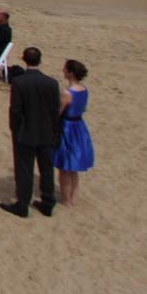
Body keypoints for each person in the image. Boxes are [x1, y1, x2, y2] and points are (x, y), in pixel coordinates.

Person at [2, 48, 61, 218]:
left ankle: (23, 204)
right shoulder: (52, 83)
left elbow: (15, 110)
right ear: (40, 60)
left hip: (25, 133)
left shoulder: (19, 82)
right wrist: (55, 132)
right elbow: (55, 111)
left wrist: (15, 129)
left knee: (24, 170)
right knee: (46, 169)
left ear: (24, 60)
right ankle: (48, 202)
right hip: (46, 132)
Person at [53, 59, 94, 206]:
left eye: (65, 69)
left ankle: (66, 199)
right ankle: (72, 198)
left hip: (67, 128)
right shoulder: (83, 90)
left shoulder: (67, 93)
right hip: (79, 126)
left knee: (65, 167)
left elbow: (58, 112)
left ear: (71, 73)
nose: (63, 70)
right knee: (73, 168)